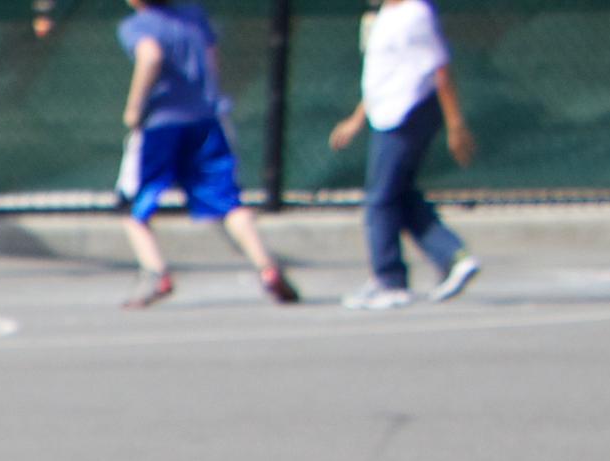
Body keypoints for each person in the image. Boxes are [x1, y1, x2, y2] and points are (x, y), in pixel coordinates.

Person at [111, 0, 297, 309]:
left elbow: (151, 56)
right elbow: (212, 60)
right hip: (206, 121)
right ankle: (268, 268)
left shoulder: (139, 25)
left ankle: (156, 273)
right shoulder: (193, 16)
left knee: (133, 206)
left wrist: (134, 108)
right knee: (229, 201)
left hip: (160, 126)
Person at [331, 0, 480, 311]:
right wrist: (356, 120)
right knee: (400, 195)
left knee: (380, 199)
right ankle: (453, 257)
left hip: (408, 115)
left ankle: (390, 282)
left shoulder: (415, 14)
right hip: (386, 115)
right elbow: (381, 78)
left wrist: (455, 124)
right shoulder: (384, 16)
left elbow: (440, 69)